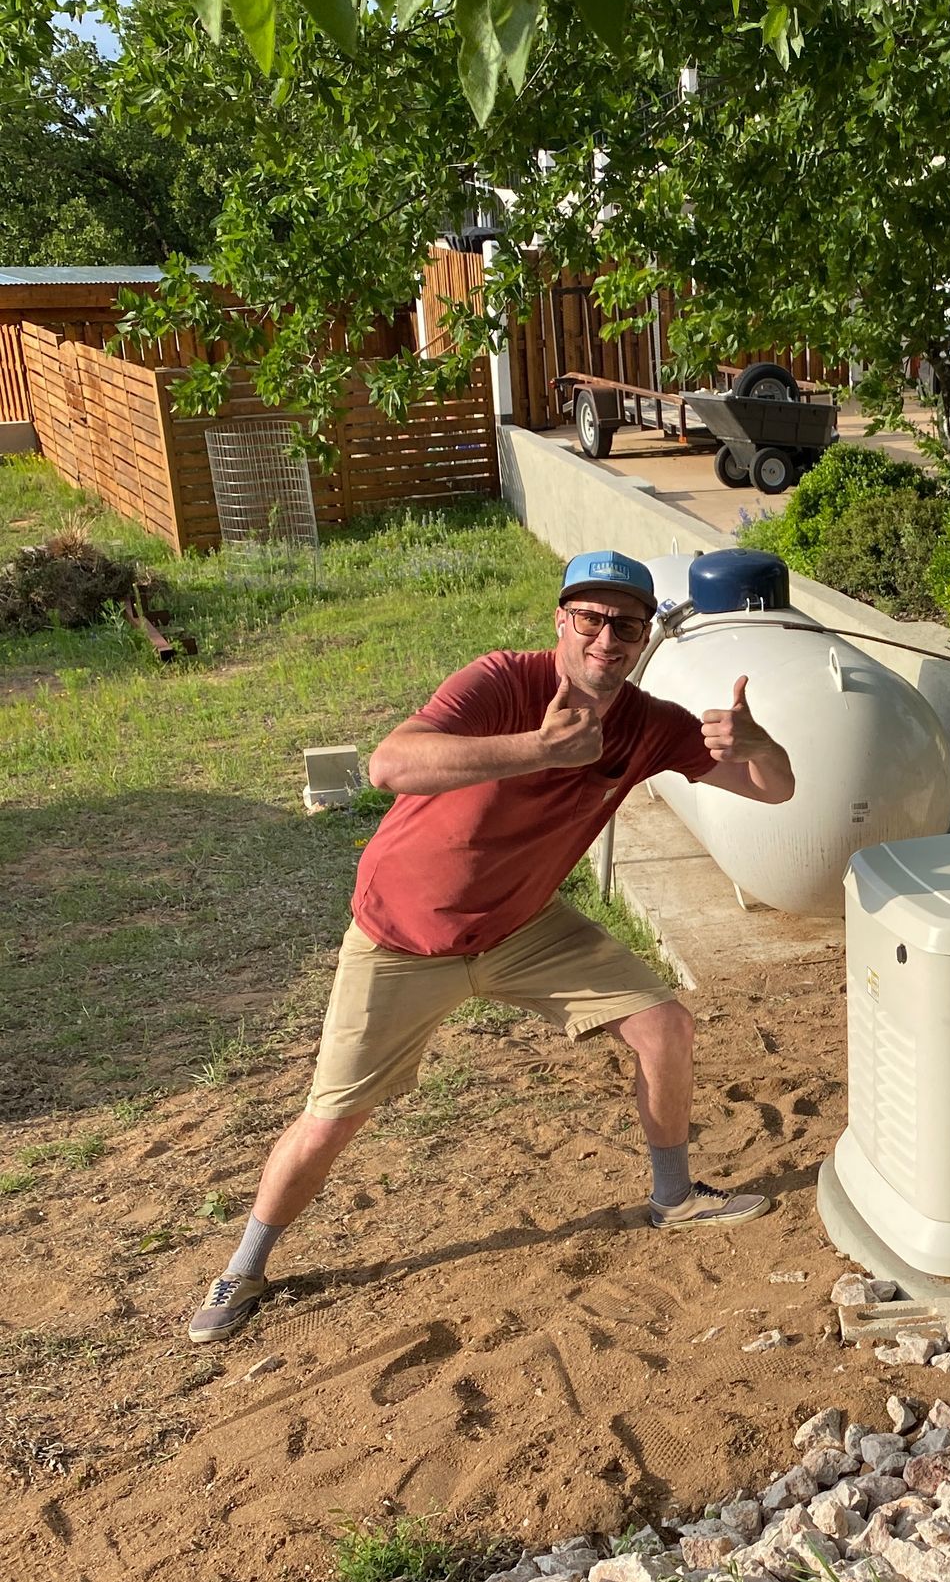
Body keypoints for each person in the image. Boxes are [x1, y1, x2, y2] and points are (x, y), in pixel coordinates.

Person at [188, 549, 795, 1345]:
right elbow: (389, 764)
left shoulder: (647, 724)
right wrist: (537, 750)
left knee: (663, 1025)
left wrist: (759, 744)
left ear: (645, 635)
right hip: (403, 938)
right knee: (333, 1118)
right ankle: (246, 1265)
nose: (608, 638)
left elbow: (776, 790)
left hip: (521, 928)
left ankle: (673, 1198)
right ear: (561, 622)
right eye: (591, 618)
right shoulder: (503, 681)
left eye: (627, 623)